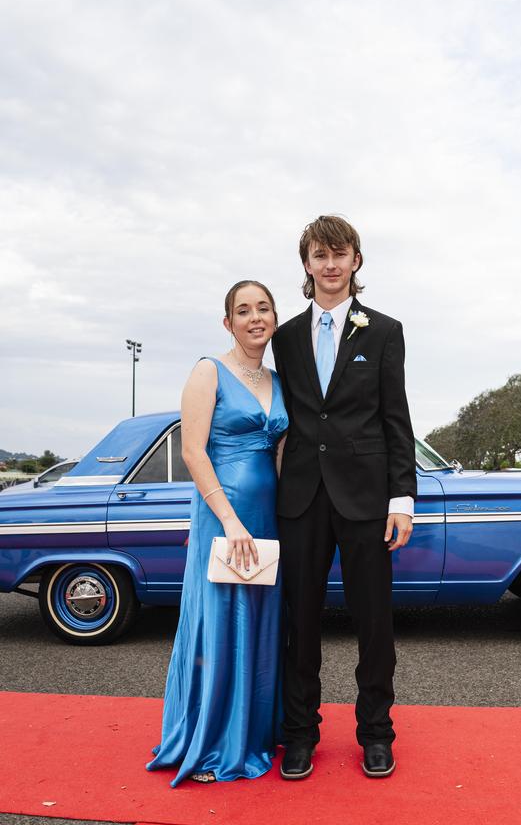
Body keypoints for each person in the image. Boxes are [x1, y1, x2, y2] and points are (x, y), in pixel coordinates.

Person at [272, 215, 416, 780]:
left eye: (340, 253)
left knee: (374, 623)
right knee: (299, 622)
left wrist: (401, 499)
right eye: (319, 254)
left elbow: (395, 418)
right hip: (302, 497)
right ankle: (300, 734)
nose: (330, 264)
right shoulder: (283, 338)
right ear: (306, 265)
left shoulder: (384, 331)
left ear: (356, 260)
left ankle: (376, 733)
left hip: (367, 500)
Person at [146, 280, 288, 785]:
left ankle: (249, 734)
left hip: (268, 519)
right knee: (220, 621)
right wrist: (228, 521)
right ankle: (209, 743)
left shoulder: (277, 379)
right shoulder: (208, 370)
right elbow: (192, 451)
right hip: (224, 517)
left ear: (274, 318)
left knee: (259, 622)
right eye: (243, 310)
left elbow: (280, 454)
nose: (255, 317)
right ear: (228, 322)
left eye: (263, 308)